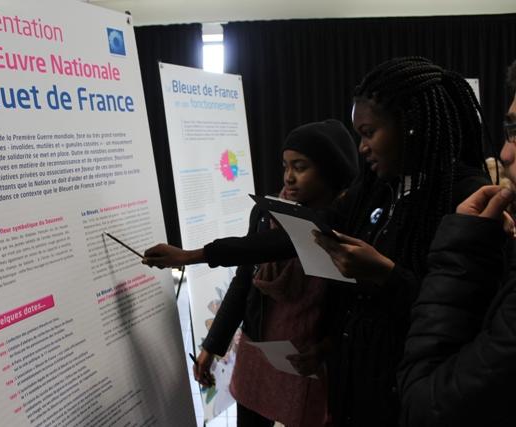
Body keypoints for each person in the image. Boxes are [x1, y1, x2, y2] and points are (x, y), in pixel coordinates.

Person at [144, 57, 490, 426]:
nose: (362, 148)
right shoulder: (377, 192)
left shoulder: (466, 197)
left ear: (409, 127)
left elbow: (463, 314)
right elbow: (289, 241)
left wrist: (385, 275)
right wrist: (196, 254)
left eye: (369, 133)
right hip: (357, 389)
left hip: (410, 393)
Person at [196, 120, 358, 427]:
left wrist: (326, 347)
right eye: (285, 166)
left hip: (308, 360)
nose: (289, 176)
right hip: (258, 353)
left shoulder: (346, 227)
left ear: (329, 169)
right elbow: (243, 283)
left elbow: (351, 304)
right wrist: (212, 345)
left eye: (300, 166)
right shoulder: (266, 214)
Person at [397, 60, 516, 426]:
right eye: (510, 130)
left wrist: (462, 250)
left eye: (372, 131)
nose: (506, 153)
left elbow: (425, 403)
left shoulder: (464, 191)